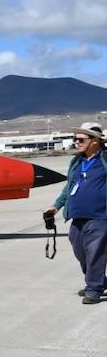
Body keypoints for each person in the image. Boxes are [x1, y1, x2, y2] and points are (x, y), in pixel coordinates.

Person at [45, 122, 107, 305]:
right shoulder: (78, 162)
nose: (76, 142)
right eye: (75, 139)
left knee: (95, 252)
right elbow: (70, 186)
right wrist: (56, 206)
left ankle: (93, 290)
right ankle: (100, 281)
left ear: (95, 141)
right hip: (77, 216)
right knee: (81, 252)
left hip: (100, 216)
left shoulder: (105, 160)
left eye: (81, 139)